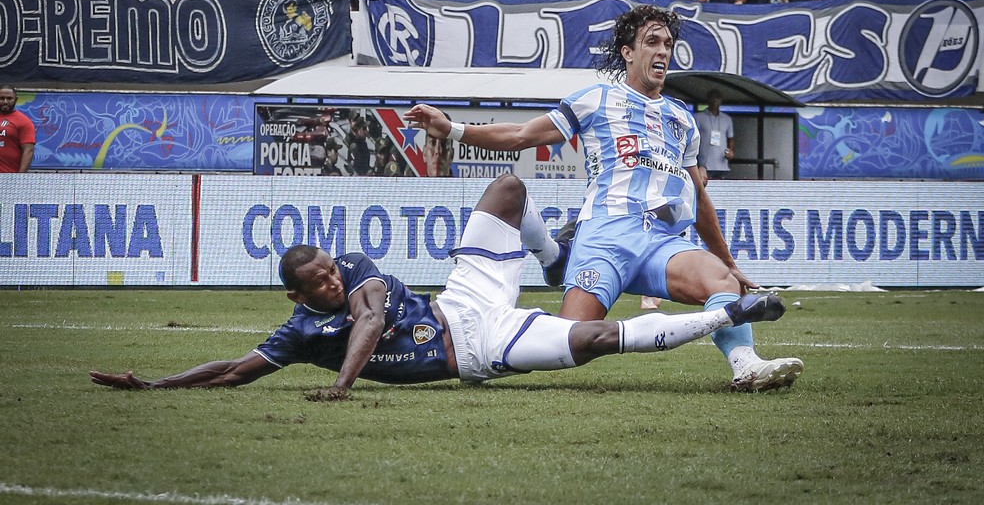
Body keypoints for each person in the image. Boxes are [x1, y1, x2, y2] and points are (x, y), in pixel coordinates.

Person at [90, 175, 790, 398]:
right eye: (321, 281)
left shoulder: (360, 273)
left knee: (508, 188)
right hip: (479, 346)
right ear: (298, 297)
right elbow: (235, 369)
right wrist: (158, 387)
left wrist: (340, 387)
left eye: (332, 267)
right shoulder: (301, 333)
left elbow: (367, 321)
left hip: (461, 296)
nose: (336, 279)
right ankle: (731, 312)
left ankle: (550, 257)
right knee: (600, 339)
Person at [404, 6, 804, 391]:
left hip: (662, 243)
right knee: (568, 342)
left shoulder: (683, 119)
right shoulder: (596, 99)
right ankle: (519, 299)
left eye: (667, 43)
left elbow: (698, 194)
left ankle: (747, 366)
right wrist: (453, 129)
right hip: (605, 237)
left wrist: (730, 262)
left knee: (719, 279)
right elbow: (522, 136)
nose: (662, 50)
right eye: (652, 42)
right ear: (629, 53)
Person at [694, 89, 734, 185]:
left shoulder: (727, 119)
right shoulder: (698, 117)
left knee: (722, 193)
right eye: (712, 97)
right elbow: (693, 138)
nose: (715, 100)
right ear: (707, 99)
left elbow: (731, 138)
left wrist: (731, 151)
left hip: (722, 165)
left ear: (721, 100)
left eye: (718, 98)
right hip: (704, 165)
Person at [0, 85, 35, 173]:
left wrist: (19, 178)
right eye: (1, 98)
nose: (5, 102)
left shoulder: (24, 121)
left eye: (9, 98)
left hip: (9, 177)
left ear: (16, 100)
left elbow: (28, 150)